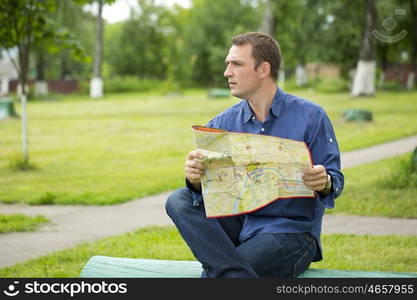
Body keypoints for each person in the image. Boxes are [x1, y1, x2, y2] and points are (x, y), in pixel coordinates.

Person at [165, 32, 344, 278]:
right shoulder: (221, 123)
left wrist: (325, 181)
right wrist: (196, 180)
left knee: (218, 274)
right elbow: (209, 191)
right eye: (228, 64)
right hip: (241, 226)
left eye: (236, 64)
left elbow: (335, 180)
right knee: (179, 200)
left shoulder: (311, 116)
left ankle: (223, 272)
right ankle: (230, 273)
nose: (228, 72)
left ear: (263, 69)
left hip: (291, 232)